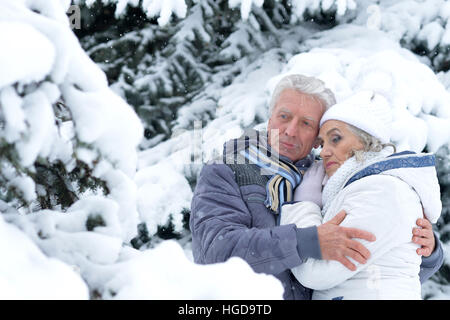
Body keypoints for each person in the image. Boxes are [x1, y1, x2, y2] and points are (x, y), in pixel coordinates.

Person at [190, 74, 443, 300]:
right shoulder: (226, 170)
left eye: (306, 123)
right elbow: (216, 253)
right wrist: (303, 242)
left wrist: (425, 248)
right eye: (284, 117)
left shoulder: (330, 179)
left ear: (316, 139)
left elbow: (370, 275)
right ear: (269, 120)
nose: (290, 131)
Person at [280, 90, 442, 299]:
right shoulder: (359, 189)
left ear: (367, 141)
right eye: (322, 144)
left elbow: (314, 272)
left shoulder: (381, 191)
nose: (323, 152)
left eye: (335, 139)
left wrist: (304, 204)